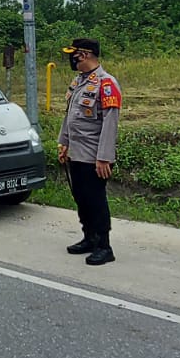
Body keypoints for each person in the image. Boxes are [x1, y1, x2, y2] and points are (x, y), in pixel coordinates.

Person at [57, 38, 121, 266]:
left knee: (95, 200)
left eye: (72, 54)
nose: (70, 58)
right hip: (76, 152)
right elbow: (69, 115)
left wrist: (104, 157)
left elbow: (110, 123)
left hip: (94, 156)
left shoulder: (106, 84)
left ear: (83, 55)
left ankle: (104, 245)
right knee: (81, 198)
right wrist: (63, 142)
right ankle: (89, 238)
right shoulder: (79, 82)